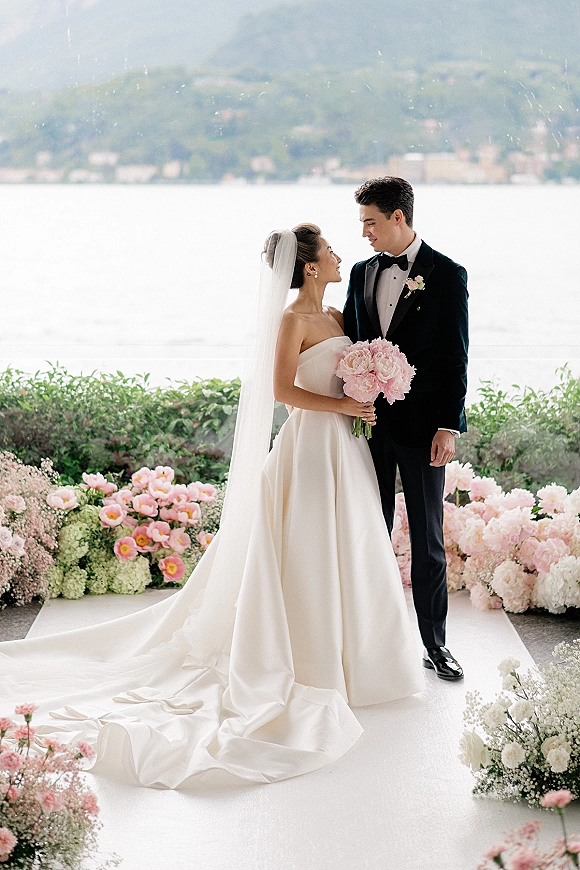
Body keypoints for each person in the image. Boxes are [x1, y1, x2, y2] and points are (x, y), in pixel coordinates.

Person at [0, 225, 423, 788]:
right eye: (330, 252)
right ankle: (311, 656)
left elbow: (349, 368)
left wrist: (366, 396)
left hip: (344, 447)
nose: (341, 254)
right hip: (309, 446)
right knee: (311, 549)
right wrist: (341, 401)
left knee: (352, 543)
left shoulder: (341, 318)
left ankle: (363, 659)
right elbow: (281, 391)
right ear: (312, 267)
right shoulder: (293, 321)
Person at [343, 177, 469, 681]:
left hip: (423, 430)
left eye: (370, 222)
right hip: (369, 428)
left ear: (398, 217)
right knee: (369, 533)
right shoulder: (359, 272)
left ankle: (435, 646)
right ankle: (371, 641)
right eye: (361, 224)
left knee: (427, 539)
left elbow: (455, 357)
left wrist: (448, 426)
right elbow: (352, 341)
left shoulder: (446, 274)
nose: (365, 233)